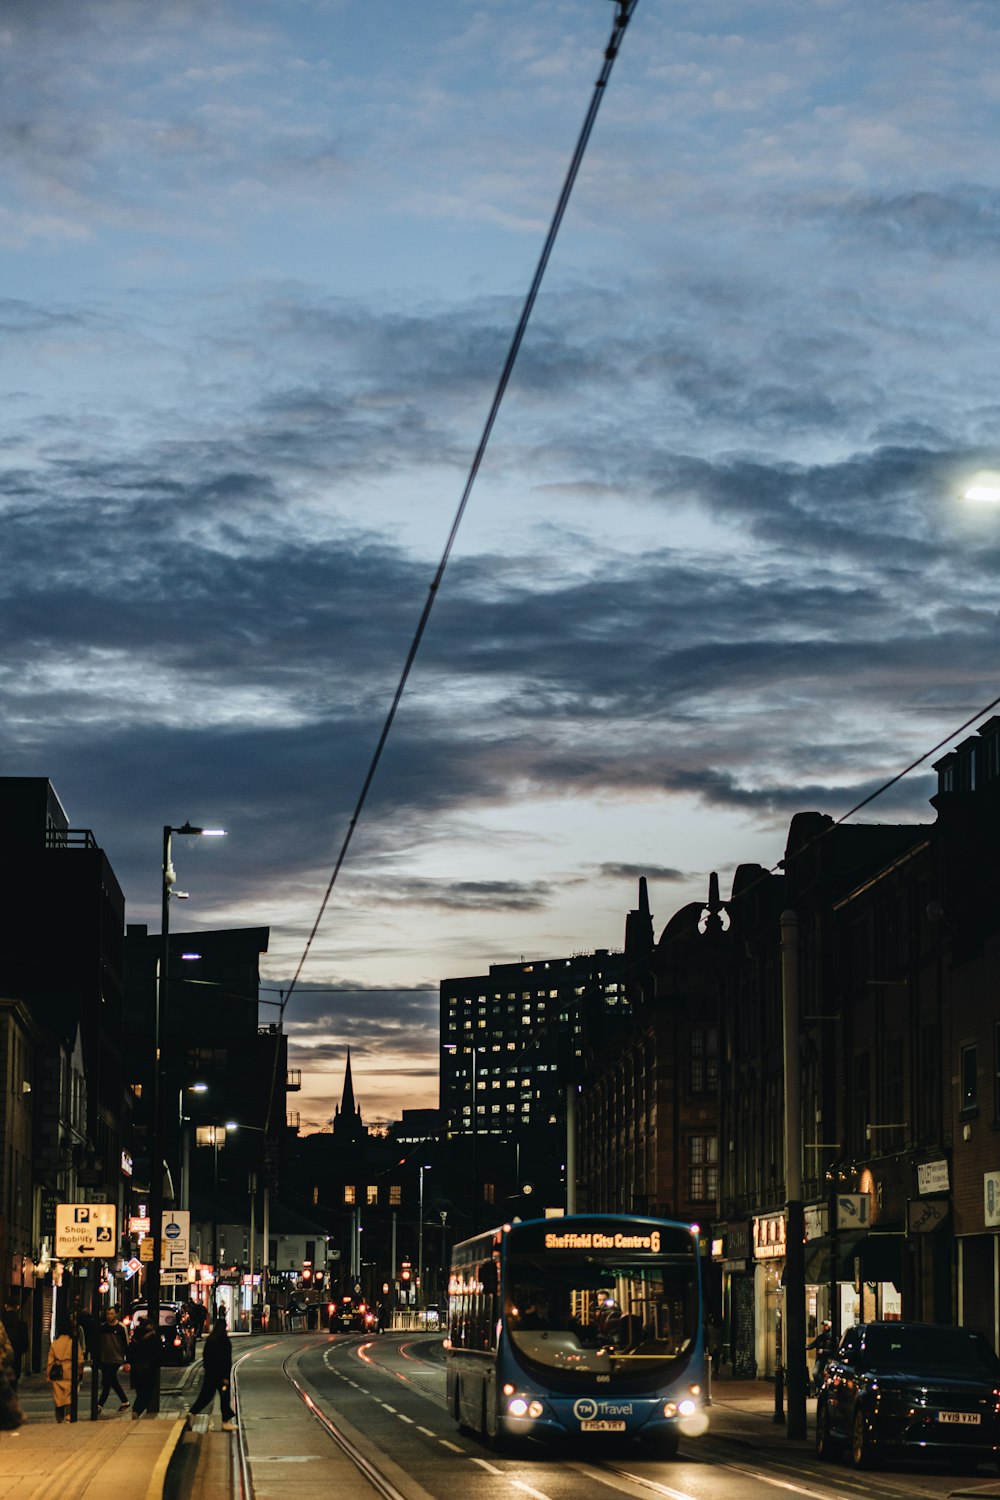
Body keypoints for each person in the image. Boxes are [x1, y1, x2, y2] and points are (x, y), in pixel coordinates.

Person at [186, 1316, 237, 1431]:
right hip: (221, 1375)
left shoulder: (210, 1340)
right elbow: (226, 1361)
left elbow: (206, 1357)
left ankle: (192, 1413)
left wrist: (208, 1369)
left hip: (210, 1374)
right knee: (224, 1397)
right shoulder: (225, 1341)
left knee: (206, 1396)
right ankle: (225, 1422)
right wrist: (225, 1377)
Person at [47, 1318, 84, 1423]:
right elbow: (80, 1359)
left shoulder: (55, 1343)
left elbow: (50, 1361)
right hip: (70, 1370)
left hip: (58, 1372)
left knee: (58, 1397)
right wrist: (80, 1372)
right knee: (70, 1395)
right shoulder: (73, 1343)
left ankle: (59, 1418)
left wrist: (48, 1374)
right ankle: (69, 1416)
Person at [96, 1306, 131, 1413]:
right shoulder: (102, 1327)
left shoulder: (121, 1328)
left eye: (111, 1313)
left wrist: (127, 1360)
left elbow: (126, 1344)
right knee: (112, 1381)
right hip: (104, 1359)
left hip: (116, 1358)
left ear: (115, 1314)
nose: (109, 1316)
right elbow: (98, 1344)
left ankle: (99, 1405)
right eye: (107, 1314)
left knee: (107, 1382)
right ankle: (125, 1401)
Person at [128, 1314, 161, 1418]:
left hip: (136, 1369)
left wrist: (129, 1363)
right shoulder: (153, 1337)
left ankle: (136, 1410)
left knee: (140, 1392)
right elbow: (158, 1354)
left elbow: (130, 1351)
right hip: (149, 1369)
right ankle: (137, 1411)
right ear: (150, 1325)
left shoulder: (135, 1336)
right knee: (148, 1393)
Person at [1, 1303, 28, 1387]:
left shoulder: (1, 1323)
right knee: (11, 1388)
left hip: (1, 1361)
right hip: (15, 1360)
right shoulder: (21, 1324)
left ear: (6, 1306)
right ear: (17, 1307)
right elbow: (24, 1345)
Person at [806, 1321, 833, 1394]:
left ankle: (824, 1390)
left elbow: (834, 1350)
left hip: (829, 1359)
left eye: (825, 1326)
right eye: (823, 1326)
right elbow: (813, 1344)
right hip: (821, 1359)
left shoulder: (832, 1337)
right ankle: (822, 1389)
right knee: (815, 1373)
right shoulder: (820, 1337)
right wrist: (805, 1347)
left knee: (826, 1375)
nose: (823, 1327)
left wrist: (823, 1351)